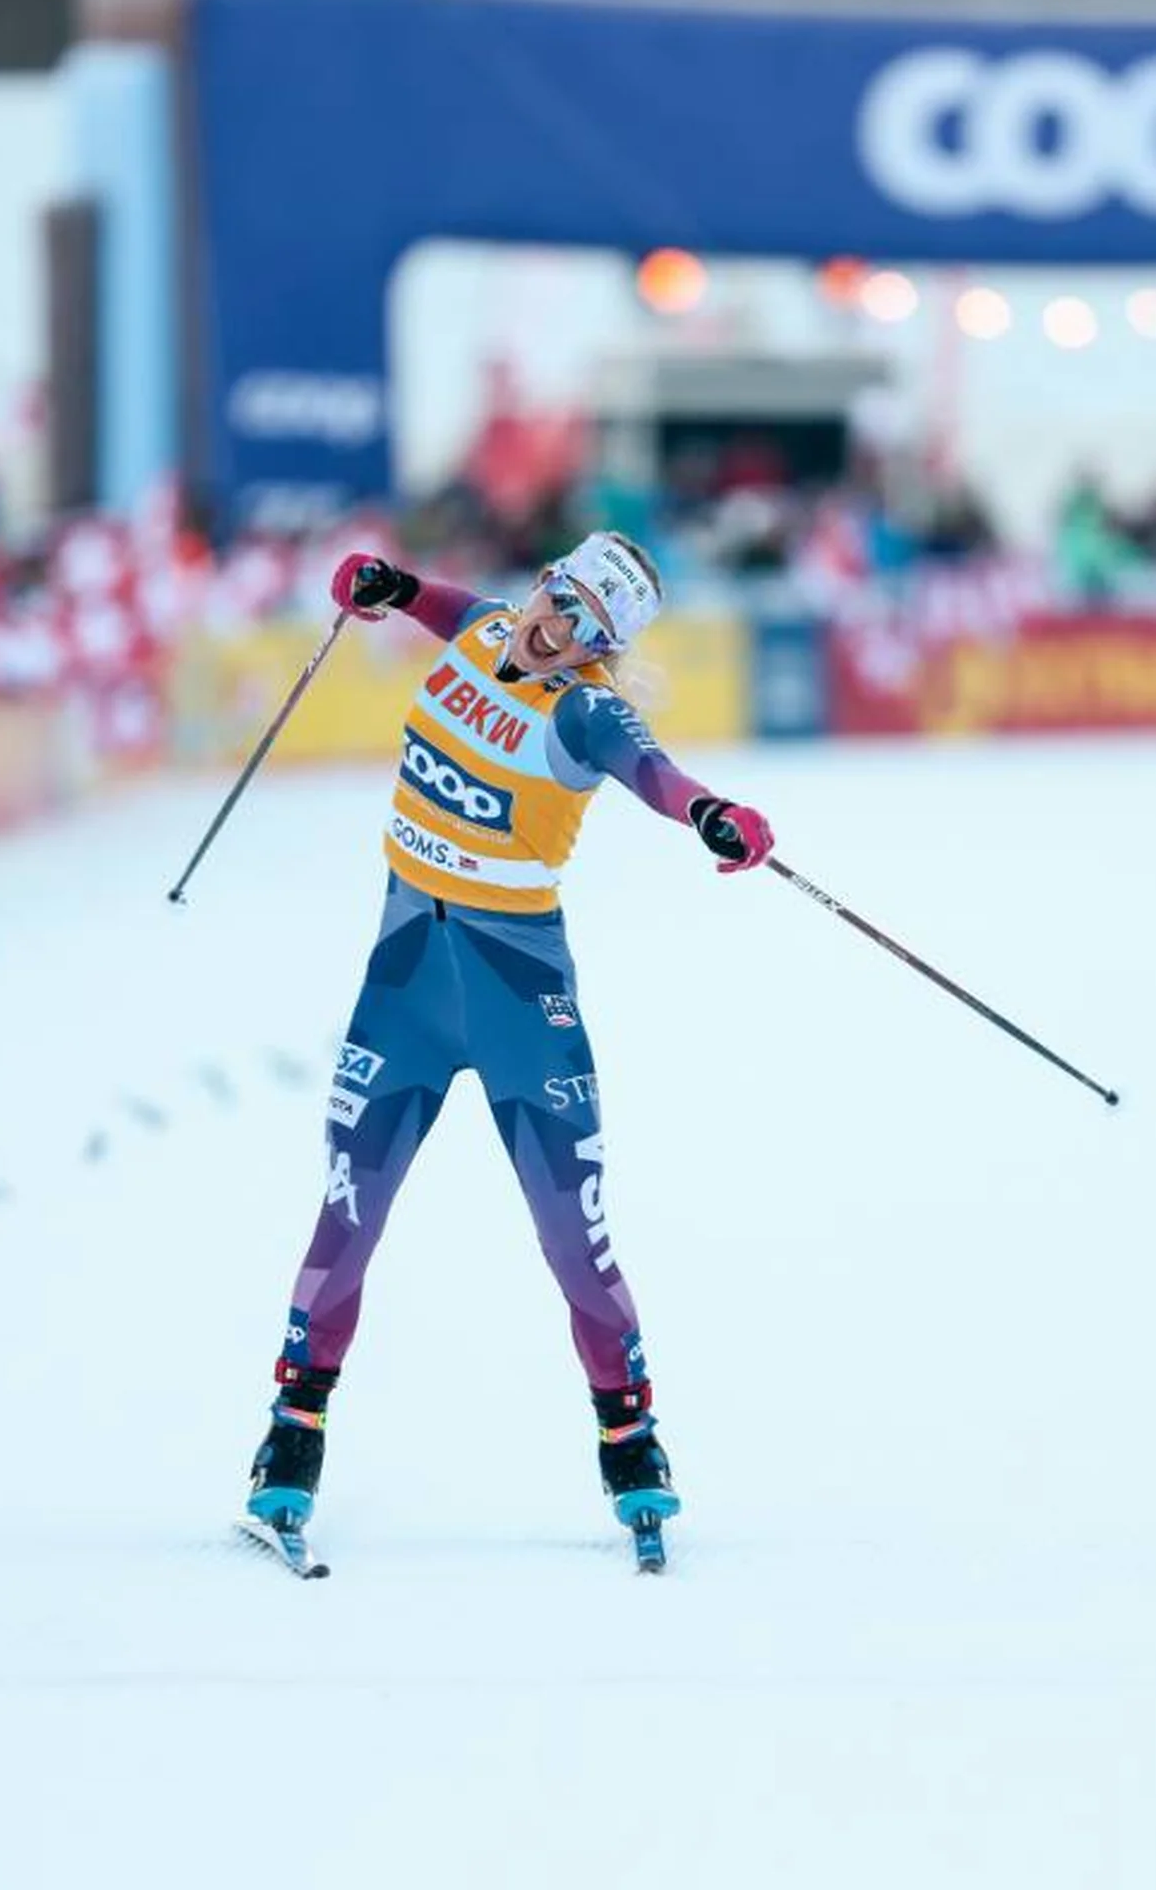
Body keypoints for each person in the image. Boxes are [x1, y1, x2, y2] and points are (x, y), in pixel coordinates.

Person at [243, 532, 776, 1552]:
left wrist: (711, 813)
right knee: (348, 1210)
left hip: (517, 997)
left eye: (586, 627)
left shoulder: (585, 710)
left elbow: (652, 770)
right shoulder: (488, 626)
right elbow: (451, 610)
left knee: (573, 1235)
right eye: (559, 598)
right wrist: (394, 588)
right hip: (406, 983)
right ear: (543, 583)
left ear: (601, 650)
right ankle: (293, 1431)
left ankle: (630, 1439)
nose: (556, 627)